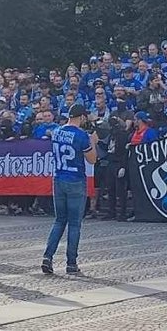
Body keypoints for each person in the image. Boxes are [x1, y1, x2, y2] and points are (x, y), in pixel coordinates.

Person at [42, 104, 96, 275]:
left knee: (59, 221)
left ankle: (47, 257)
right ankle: (71, 262)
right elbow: (92, 159)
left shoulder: (57, 131)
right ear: (81, 117)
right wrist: (93, 142)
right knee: (74, 224)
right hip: (76, 180)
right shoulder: (81, 136)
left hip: (58, 178)